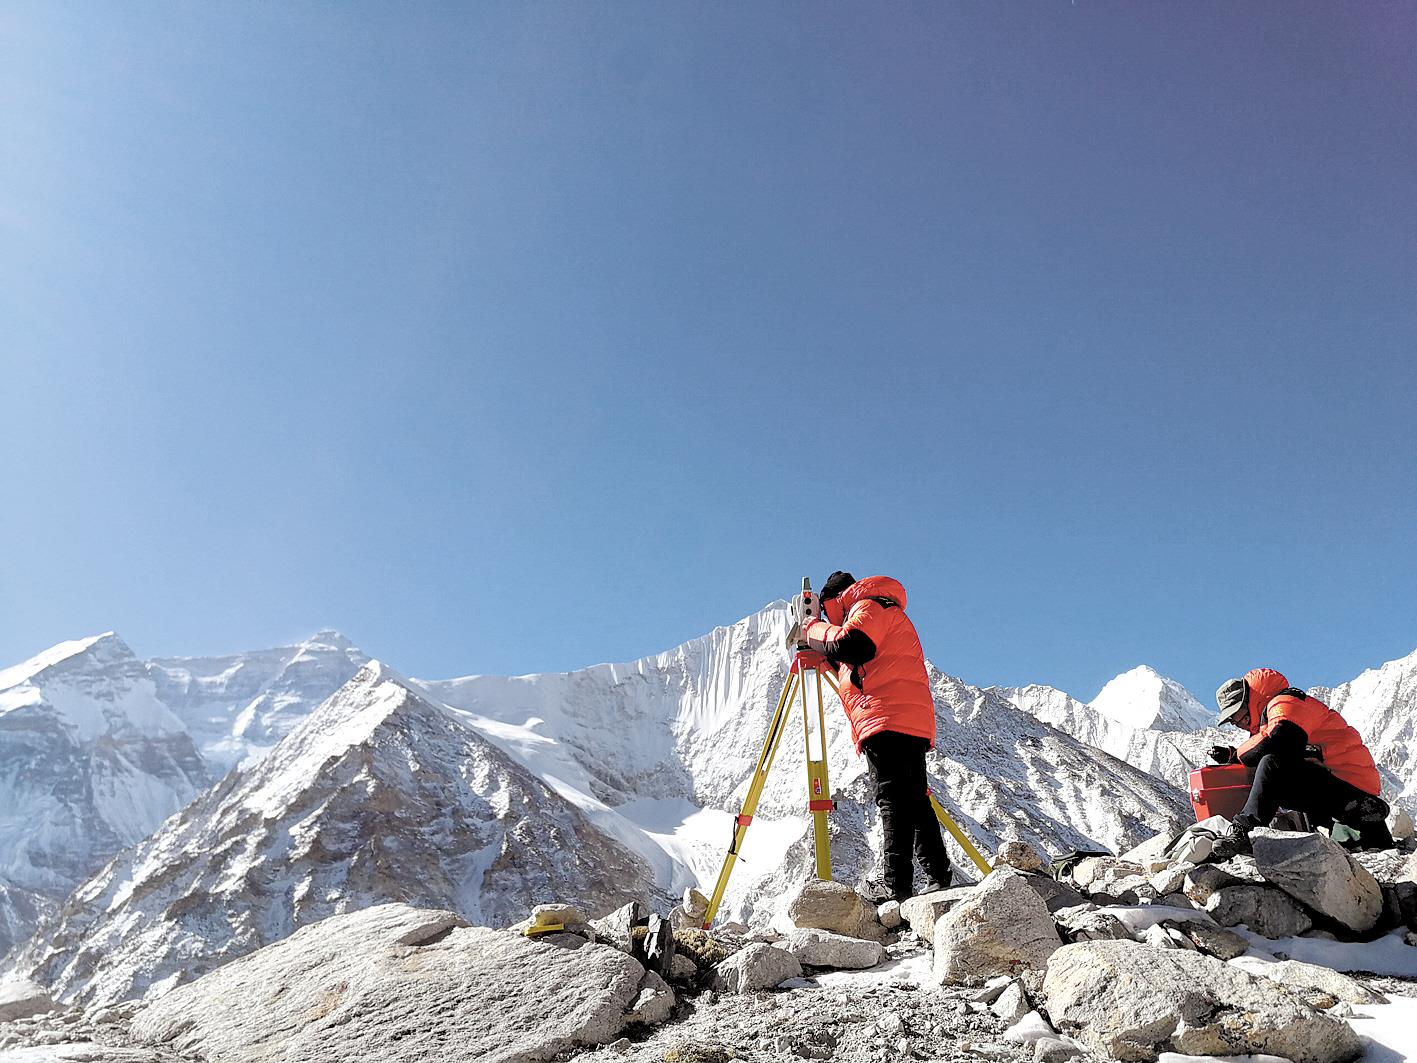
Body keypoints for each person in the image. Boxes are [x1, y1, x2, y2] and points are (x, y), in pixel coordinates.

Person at [795, 571, 952, 902]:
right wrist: (825, 655)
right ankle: (938, 874)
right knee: (914, 798)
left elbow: (854, 646)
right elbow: (855, 667)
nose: (826, 617)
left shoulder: (868, 607)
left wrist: (811, 629)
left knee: (892, 799)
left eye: (826, 610)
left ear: (834, 601)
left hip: (886, 716)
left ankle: (896, 885)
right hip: (905, 717)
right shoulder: (884, 609)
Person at [1206, 666, 1391, 861]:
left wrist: (1238, 755)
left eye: (1237, 714)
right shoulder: (1271, 715)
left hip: (1351, 786)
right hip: (1337, 785)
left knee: (1271, 764)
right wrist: (1234, 755)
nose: (1237, 723)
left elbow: (1278, 739)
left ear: (1253, 700)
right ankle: (1363, 828)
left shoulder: (1287, 701)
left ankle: (1244, 831)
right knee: (1266, 769)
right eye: (1232, 720)